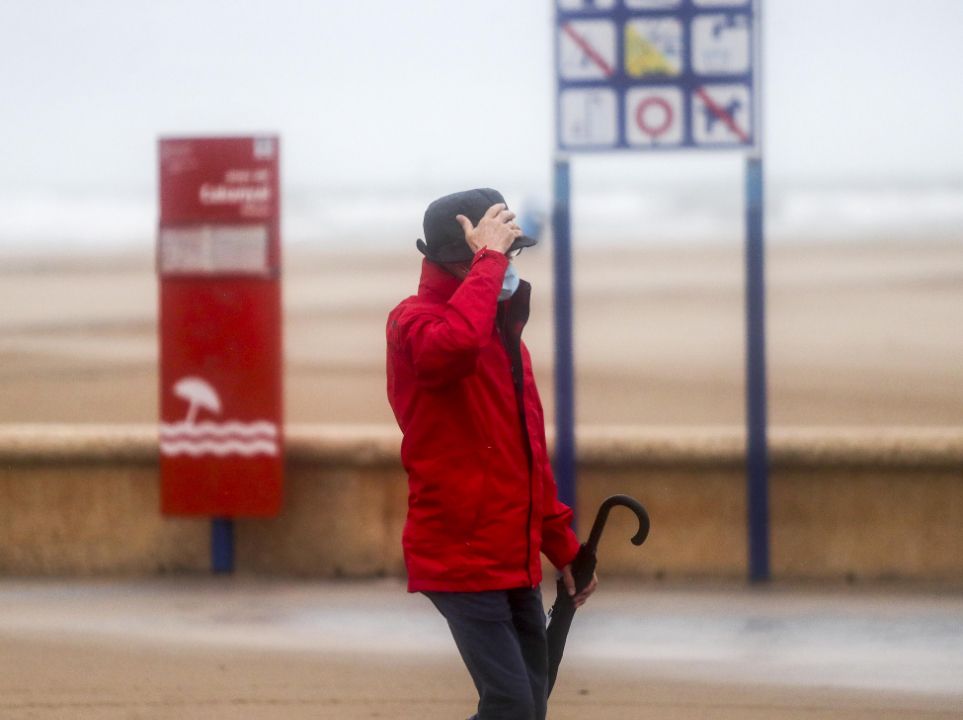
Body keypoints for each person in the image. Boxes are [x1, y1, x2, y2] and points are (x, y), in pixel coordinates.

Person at [385, 188, 598, 720]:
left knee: (531, 701)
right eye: (501, 253)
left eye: (511, 254)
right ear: (461, 259)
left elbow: (526, 461)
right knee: (511, 705)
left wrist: (563, 549)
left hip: (511, 554)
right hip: (459, 552)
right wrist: (489, 261)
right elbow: (450, 351)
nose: (509, 267)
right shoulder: (413, 321)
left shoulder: (507, 339)